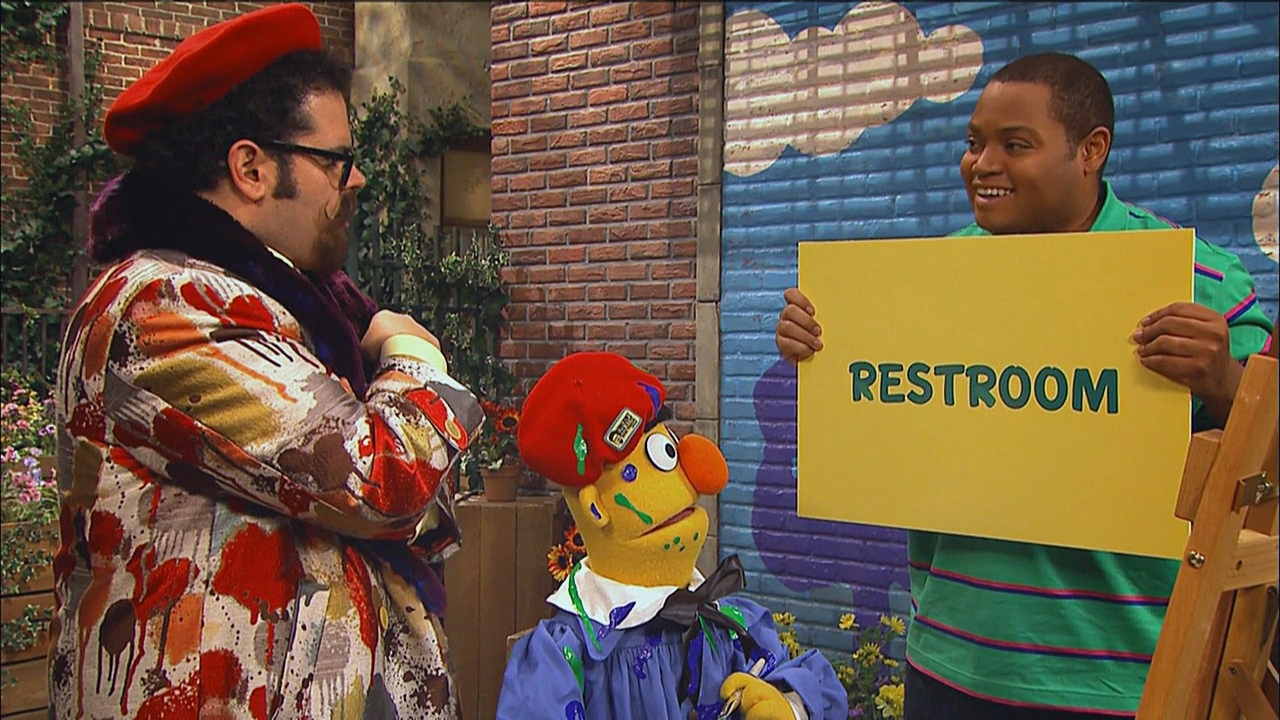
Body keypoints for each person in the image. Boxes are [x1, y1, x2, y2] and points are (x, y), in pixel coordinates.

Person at [774, 53, 1274, 719]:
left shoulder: (1195, 281)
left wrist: (1225, 381)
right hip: (949, 665)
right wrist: (819, 347)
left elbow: (1267, 469)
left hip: (1124, 682)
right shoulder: (928, 280)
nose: (982, 165)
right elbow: (889, 420)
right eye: (973, 143)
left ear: (1091, 150)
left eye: (1015, 145)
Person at [49, 5, 483, 718]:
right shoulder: (163, 307)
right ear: (251, 168)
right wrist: (412, 350)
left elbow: (419, 513)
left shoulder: (294, 309)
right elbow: (382, 484)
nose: (358, 180)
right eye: (337, 160)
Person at [498, 352, 848, 719]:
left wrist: (787, 705)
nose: (699, 478)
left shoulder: (726, 622)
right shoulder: (567, 655)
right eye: (659, 459)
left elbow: (805, 681)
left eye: (669, 450)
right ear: (596, 508)